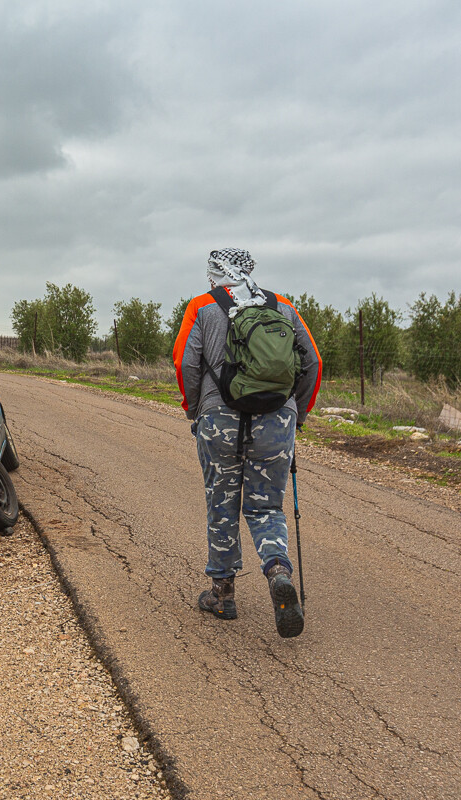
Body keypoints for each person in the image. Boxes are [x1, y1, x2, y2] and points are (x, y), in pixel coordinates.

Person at [172, 248, 322, 639]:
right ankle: (277, 572)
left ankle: (222, 595)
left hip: (219, 418)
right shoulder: (282, 305)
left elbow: (186, 363)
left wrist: (195, 410)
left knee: (221, 503)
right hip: (277, 419)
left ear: (213, 275)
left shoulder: (202, 307)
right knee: (267, 505)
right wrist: (297, 415)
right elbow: (313, 364)